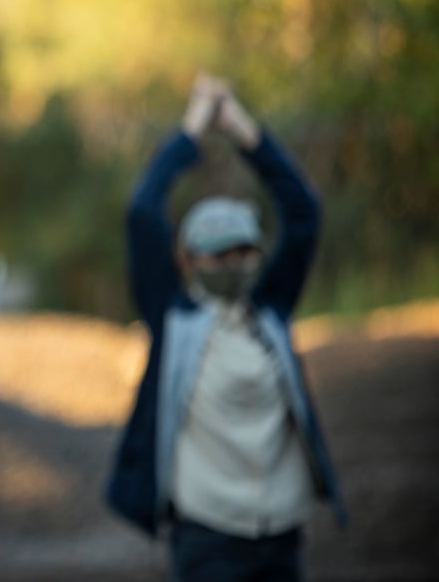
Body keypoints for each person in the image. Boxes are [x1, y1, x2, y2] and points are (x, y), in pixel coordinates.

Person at [105, 73, 346, 582]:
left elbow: (302, 211)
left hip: (282, 535)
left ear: (258, 254)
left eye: (243, 251)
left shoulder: (270, 311)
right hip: (209, 538)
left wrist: (242, 128)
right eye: (217, 254)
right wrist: (194, 125)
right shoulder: (174, 320)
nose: (232, 263)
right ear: (189, 261)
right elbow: (142, 212)